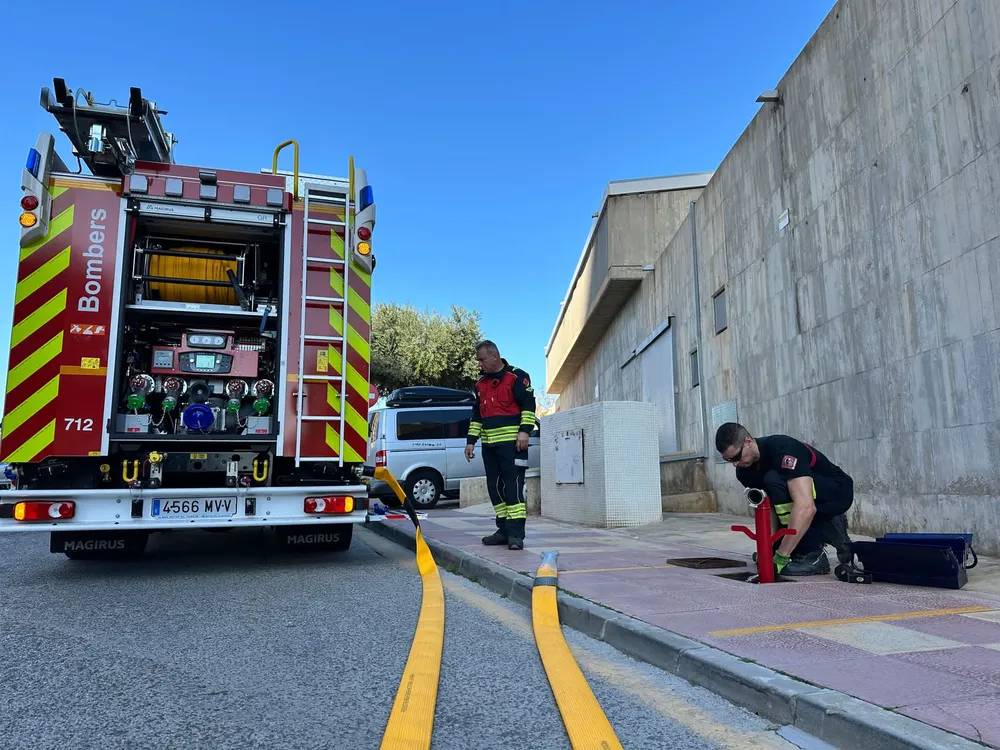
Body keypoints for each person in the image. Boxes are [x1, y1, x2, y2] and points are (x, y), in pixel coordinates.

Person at [715, 422, 854, 576]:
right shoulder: (744, 471)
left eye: (736, 457)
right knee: (779, 546)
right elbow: (769, 508)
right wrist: (766, 548)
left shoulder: (783, 449)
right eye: (729, 460)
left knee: (774, 480)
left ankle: (813, 556)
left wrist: (781, 557)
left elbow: (805, 507)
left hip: (836, 491)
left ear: (748, 442)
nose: (735, 464)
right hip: (807, 499)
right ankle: (831, 526)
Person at [465, 340, 537, 550]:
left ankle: (515, 534)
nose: (479, 364)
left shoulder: (517, 377)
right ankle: (503, 530)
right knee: (495, 487)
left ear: (494, 357)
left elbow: (528, 405)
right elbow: (477, 415)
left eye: (482, 359)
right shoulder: (480, 384)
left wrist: (524, 431)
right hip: (490, 446)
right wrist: (471, 441)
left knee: (513, 487)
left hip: (513, 445)